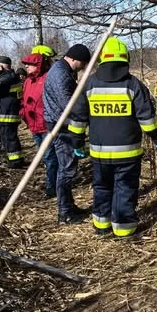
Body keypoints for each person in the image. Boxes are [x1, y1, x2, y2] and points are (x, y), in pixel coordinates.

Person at [68, 37, 157, 238]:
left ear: (102, 58)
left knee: (102, 186)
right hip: (128, 152)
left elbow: (78, 118)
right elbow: (147, 118)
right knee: (125, 188)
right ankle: (124, 227)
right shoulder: (133, 84)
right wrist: (156, 137)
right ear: (125, 58)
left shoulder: (90, 84)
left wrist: (77, 143)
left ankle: (101, 225)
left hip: (99, 151)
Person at [43, 44, 91, 224]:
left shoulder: (62, 70)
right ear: (74, 59)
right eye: (83, 63)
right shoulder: (61, 74)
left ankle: (69, 205)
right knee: (67, 169)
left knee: (67, 168)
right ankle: (64, 212)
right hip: (61, 127)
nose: (84, 66)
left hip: (60, 123)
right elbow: (68, 103)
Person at [20, 52, 59, 198]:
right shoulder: (28, 82)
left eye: (29, 64)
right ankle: (53, 182)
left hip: (46, 125)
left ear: (38, 65)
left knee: (49, 156)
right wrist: (23, 112)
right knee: (45, 156)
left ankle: (52, 187)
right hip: (34, 126)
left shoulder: (47, 78)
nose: (26, 66)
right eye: (26, 64)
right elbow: (24, 100)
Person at [0, 55, 25, 168]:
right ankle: (17, 159)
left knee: (10, 140)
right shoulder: (7, 77)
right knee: (10, 139)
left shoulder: (8, 78)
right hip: (5, 114)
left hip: (8, 115)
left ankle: (15, 162)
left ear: (1, 66)